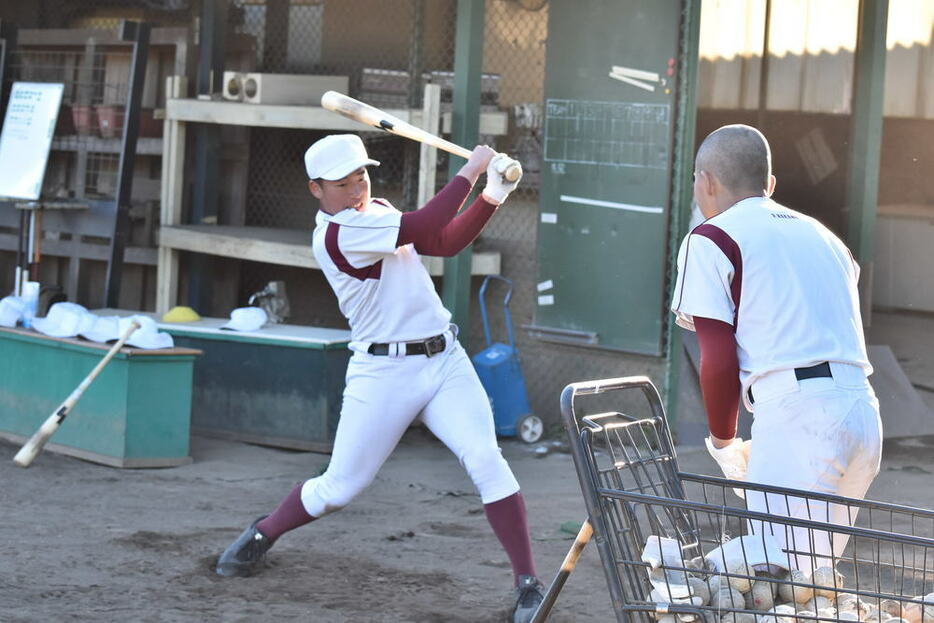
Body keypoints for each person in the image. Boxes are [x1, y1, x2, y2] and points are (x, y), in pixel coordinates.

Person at [215, 134, 545, 622]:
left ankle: (528, 583)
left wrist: (493, 195)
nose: (356, 190)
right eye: (342, 183)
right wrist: (472, 171)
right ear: (315, 190)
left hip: (444, 359)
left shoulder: (377, 211)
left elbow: (443, 241)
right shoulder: (338, 232)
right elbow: (429, 222)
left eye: (361, 177)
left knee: (486, 458)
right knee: (339, 488)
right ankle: (263, 532)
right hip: (383, 373)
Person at [670, 124, 882, 572]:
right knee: (810, 582)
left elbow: (717, 357)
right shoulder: (827, 237)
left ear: (704, 181)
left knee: (775, 579)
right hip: (863, 411)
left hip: (802, 419)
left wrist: (723, 440)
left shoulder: (710, 237)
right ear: (769, 186)